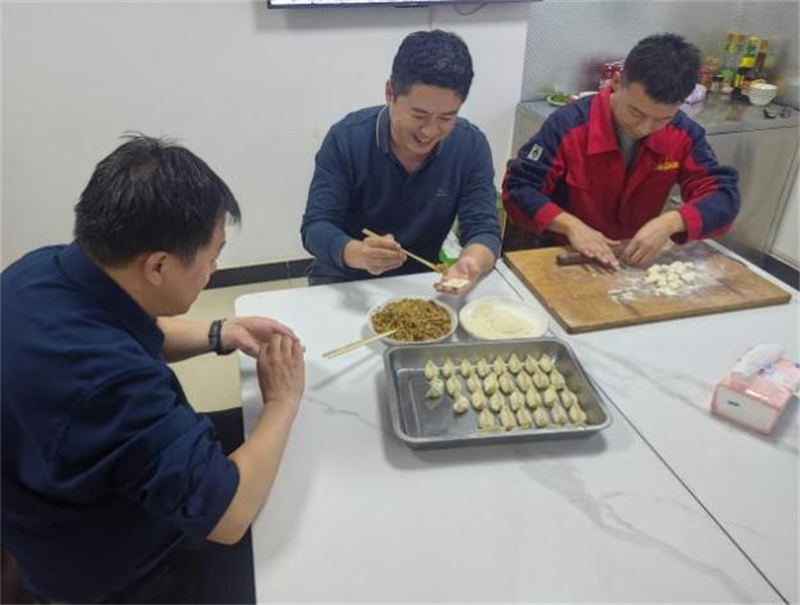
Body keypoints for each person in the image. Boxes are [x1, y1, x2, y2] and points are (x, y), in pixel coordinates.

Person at [1, 135, 306, 603]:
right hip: (119, 570)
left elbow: (132, 329)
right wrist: (282, 401)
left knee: (257, 438)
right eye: (212, 256)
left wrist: (220, 332)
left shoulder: (39, 269)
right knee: (293, 535)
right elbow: (227, 517)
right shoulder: (113, 385)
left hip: (49, 493)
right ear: (158, 266)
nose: (215, 268)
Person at [503, 33, 741, 267]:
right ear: (616, 82)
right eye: (636, 112)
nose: (644, 128)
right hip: (565, 254)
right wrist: (571, 226)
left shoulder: (683, 134)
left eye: (662, 119)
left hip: (632, 259)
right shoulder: (569, 125)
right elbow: (519, 189)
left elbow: (723, 197)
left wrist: (670, 222)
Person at [301, 30, 502, 292]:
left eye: (446, 118)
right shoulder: (347, 138)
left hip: (420, 280)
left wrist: (471, 262)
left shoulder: (470, 146)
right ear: (390, 93)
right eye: (419, 115)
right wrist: (360, 254)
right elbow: (315, 227)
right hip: (345, 279)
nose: (429, 131)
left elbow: (484, 228)